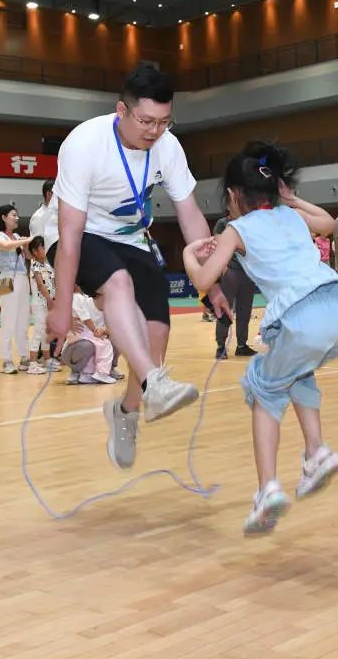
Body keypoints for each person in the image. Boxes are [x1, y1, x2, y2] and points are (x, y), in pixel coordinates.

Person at [46, 63, 227, 471]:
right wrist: (61, 304)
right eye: (146, 121)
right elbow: (70, 236)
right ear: (121, 111)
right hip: (79, 234)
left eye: (164, 121)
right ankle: (155, 383)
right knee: (118, 283)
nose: (155, 131)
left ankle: (127, 411)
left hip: (130, 238)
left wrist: (209, 283)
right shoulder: (84, 144)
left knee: (157, 332)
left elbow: (190, 216)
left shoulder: (168, 146)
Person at [182, 141, 338, 536]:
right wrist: (292, 199)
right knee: (297, 373)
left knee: (264, 391)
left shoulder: (236, 229)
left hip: (302, 317)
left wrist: (191, 253)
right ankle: (317, 451)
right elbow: (329, 223)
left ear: (232, 195)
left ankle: (268, 490)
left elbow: (204, 279)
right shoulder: (291, 215)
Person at [212, 213, 258, 360]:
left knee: (245, 310)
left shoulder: (249, 223)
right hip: (230, 271)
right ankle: (221, 346)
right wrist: (222, 267)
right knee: (225, 309)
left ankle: (241, 345)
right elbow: (216, 245)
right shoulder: (222, 223)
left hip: (247, 272)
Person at [0, 205, 33, 374]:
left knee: (23, 320)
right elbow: (5, 246)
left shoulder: (16, 237)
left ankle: (24, 358)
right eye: (13, 215)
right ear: (3, 217)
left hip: (23, 278)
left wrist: (28, 245)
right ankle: (7, 360)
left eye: (17, 215)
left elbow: (28, 256)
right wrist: (26, 241)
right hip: (7, 279)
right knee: (8, 320)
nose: (17, 218)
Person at [27, 235, 59, 374]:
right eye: (42, 247)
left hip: (50, 303)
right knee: (38, 332)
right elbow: (41, 285)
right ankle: (32, 364)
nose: (45, 249)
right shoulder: (35, 266)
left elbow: (53, 284)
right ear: (35, 251)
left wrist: (55, 300)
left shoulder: (48, 266)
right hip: (40, 304)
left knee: (46, 332)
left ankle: (47, 360)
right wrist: (50, 301)